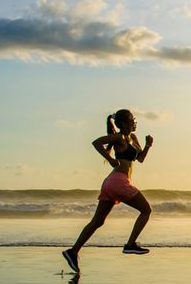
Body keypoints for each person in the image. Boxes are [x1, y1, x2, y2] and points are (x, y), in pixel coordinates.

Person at [63, 109, 153, 273]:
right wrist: (111, 159)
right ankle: (130, 244)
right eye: (132, 120)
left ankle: (72, 251)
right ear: (125, 124)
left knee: (97, 221)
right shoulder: (119, 138)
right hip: (118, 181)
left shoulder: (132, 138)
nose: (135, 123)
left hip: (110, 183)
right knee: (146, 210)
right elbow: (96, 142)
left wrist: (148, 145)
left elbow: (140, 158)